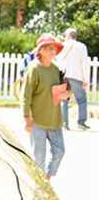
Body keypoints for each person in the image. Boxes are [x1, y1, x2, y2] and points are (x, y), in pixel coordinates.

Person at [22, 33, 66, 179]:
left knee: (60, 152)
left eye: (53, 48)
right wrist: (26, 118)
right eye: (47, 48)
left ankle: (46, 177)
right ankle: (38, 187)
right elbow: (25, 95)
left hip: (55, 120)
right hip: (37, 122)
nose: (51, 51)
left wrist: (68, 92)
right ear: (40, 50)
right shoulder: (33, 69)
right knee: (39, 157)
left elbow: (60, 92)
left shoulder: (56, 70)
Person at [57, 28, 91, 130]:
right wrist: (86, 79)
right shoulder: (81, 46)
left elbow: (58, 60)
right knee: (81, 100)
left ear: (67, 36)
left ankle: (64, 124)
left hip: (64, 76)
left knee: (64, 100)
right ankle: (81, 123)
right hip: (77, 76)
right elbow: (84, 63)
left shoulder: (62, 46)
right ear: (75, 36)